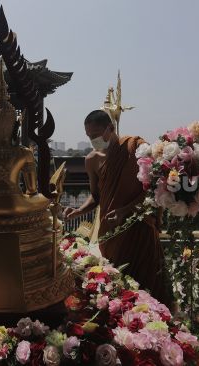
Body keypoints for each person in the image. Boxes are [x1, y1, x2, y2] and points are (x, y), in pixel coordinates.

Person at [63, 110, 171, 306]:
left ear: (110, 129)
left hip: (139, 226)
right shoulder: (92, 160)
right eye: (89, 136)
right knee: (118, 282)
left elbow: (154, 187)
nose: (93, 139)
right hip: (112, 232)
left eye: (96, 135)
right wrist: (78, 211)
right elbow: (96, 196)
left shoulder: (135, 147)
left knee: (148, 281)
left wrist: (125, 210)